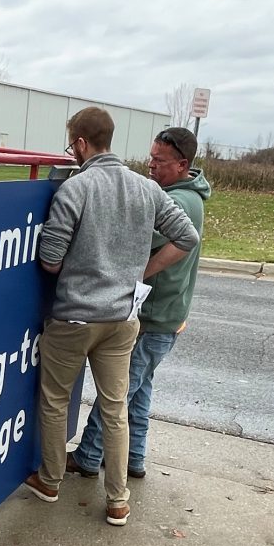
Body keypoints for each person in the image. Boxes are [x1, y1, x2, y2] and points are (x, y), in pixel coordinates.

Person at [23, 108, 199, 526]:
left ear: (82, 144)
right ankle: (118, 500)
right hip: (123, 320)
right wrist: (140, 270)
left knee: (54, 401)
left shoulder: (75, 189)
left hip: (75, 319)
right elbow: (187, 236)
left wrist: (70, 263)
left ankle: (49, 481)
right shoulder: (148, 189)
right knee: (115, 407)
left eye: (72, 146)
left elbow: (50, 260)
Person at [68, 127, 211, 481]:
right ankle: (134, 458)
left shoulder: (178, 202)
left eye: (158, 161)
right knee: (139, 390)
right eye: (150, 157)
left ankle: (88, 457)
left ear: (181, 165)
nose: (150, 165)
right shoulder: (186, 195)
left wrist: (138, 272)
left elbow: (133, 236)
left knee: (117, 393)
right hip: (166, 314)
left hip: (152, 314)